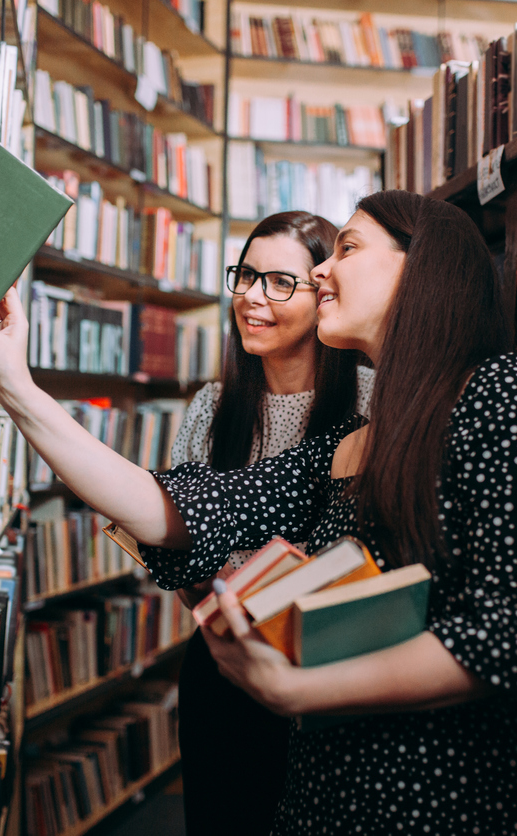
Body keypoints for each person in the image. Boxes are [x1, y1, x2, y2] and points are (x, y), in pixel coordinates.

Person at [0, 190, 517, 835]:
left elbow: (516, 636)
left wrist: (298, 692)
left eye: (346, 248)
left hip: (446, 801)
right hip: (325, 793)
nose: (322, 272)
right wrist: (16, 387)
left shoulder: (505, 390)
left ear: (421, 268)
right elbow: (176, 508)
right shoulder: (347, 446)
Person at [169, 211, 373, 835]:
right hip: (222, 661)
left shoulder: (374, 400)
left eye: (279, 283)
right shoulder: (211, 406)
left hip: (328, 674)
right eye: (247, 276)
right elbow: (177, 541)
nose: (253, 298)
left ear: (323, 292)